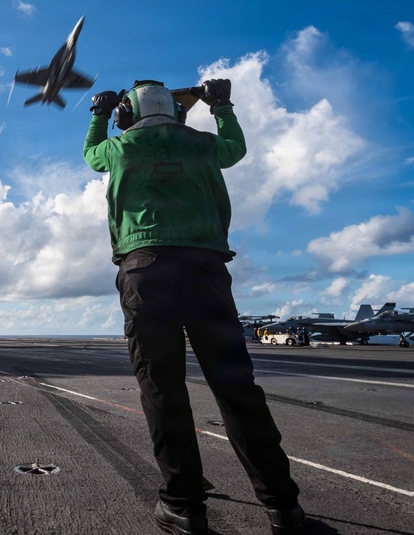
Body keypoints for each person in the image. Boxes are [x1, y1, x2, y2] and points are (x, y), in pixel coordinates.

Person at [84, 79, 305, 535]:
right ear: (179, 115)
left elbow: (91, 156)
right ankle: (282, 506)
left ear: (127, 115)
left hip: (145, 269)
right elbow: (235, 149)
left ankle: (183, 506)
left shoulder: (120, 148)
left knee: (162, 389)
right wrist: (220, 105)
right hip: (206, 270)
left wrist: (97, 115)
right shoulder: (204, 146)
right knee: (236, 387)